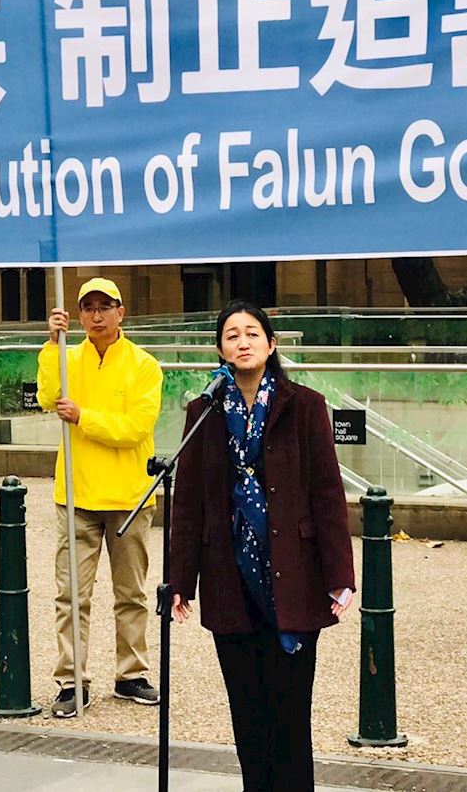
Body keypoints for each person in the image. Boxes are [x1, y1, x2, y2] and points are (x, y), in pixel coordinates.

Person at [170, 300, 355, 792]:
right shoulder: (203, 411)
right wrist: (181, 579)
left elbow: (328, 495)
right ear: (220, 349)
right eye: (232, 335)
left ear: (271, 345)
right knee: (248, 716)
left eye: (252, 333)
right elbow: (187, 503)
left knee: (290, 715)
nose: (243, 342)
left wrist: (340, 575)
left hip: (292, 577)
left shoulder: (305, 406)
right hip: (229, 577)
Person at [37, 277, 163, 718]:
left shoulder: (144, 365)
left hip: (129, 497)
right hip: (77, 493)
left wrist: (83, 417)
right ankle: (72, 679)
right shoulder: (69, 358)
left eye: (104, 307)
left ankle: (131, 673)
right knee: (71, 594)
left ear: (120, 312)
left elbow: (135, 429)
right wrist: (52, 344)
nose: (96, 315)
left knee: (131, 592)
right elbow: (47, 396)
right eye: (88, 308)